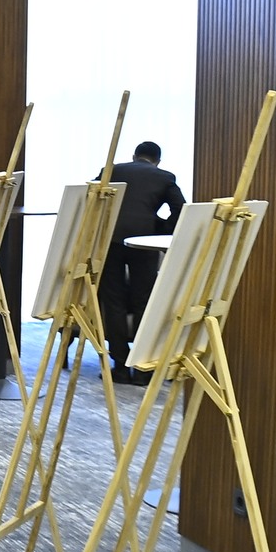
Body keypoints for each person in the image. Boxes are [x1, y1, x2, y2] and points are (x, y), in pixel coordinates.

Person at [99, 141, 187, 383]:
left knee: (114, 302)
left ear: (134, 156)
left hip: (110, 241)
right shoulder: (165, 176)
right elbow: (181, 209)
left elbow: (93, 199)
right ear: (157, 160)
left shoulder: (112, 170)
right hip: (144, 243)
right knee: (144, 302)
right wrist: (160, 229)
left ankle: (119, 367)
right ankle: (141, 369)